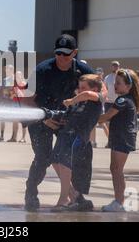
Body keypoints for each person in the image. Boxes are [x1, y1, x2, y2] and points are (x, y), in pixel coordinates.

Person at [21, 34, 99, 212]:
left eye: (66, 54)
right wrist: (45, 119)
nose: (62, 58)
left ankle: (76, 197)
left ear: (75, 53)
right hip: (40, 117)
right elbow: (27, 99)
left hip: (67, 119)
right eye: (58, 54)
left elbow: (98, 91)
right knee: (43, 157)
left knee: (72, 158)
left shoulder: (83, 70)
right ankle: (31, 193)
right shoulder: (42, 70)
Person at [46, 74, 103, 212]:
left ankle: (63, 199)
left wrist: (72, 100)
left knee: (65, 164)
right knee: (55, 160)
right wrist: (48, 118)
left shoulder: (97, 99)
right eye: (79, 87)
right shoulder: (77, 102)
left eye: (83, 87)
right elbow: (65, 117)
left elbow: (88, 94)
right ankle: (75, 195)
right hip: (65, 135)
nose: (79, 90)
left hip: (77, 137)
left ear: (95, 88)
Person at [99, 69, 139, 212]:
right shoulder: (127, 99)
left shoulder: (122, 100)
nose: (115, 86)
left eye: (118, 83)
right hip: (120, 137)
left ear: (128, 86)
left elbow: (106, 116)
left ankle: (119, 202)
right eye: (115, 82)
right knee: (115, 169)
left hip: (122, 137)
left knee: (117, 169)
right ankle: (118, 201)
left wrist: (88, 119)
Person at [103, 61, 120, 148]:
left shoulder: (121, 77)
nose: (115, 67)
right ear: (111, 67)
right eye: (113, 65)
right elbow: (104, 88)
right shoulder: (107, 77)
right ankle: (110, 140)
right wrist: (105, 98)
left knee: (118, 123)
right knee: (108, 123)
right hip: (108, 102)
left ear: (119, 67)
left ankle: (117, 141)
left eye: (116, 66)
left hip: (119, 102)